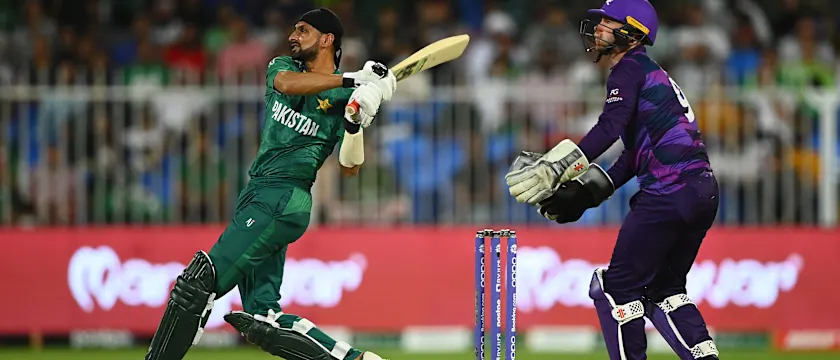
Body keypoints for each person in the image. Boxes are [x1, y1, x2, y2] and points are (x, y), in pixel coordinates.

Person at [144, 8, 396, 360]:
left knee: (198, 283)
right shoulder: (284, 68)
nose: (293, 35)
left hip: (282, 198)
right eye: (294, 29)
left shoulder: (342, 100)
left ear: (327, 40)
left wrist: (354, 123)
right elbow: (287, 86)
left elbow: (350, 167)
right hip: (258, 195)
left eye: (303, 30)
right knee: (263, 319)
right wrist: (353, 80)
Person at [503, 0, 721, 359]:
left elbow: (609, 127)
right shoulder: (650, 72)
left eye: (608, 21)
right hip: (701, 194)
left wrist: (558, 167)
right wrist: (587, 195)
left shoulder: (627, 69)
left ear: (632, 31)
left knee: (615, 289)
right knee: (664, 290)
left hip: (667, 193)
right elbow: (635, 156)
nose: (600, 27)